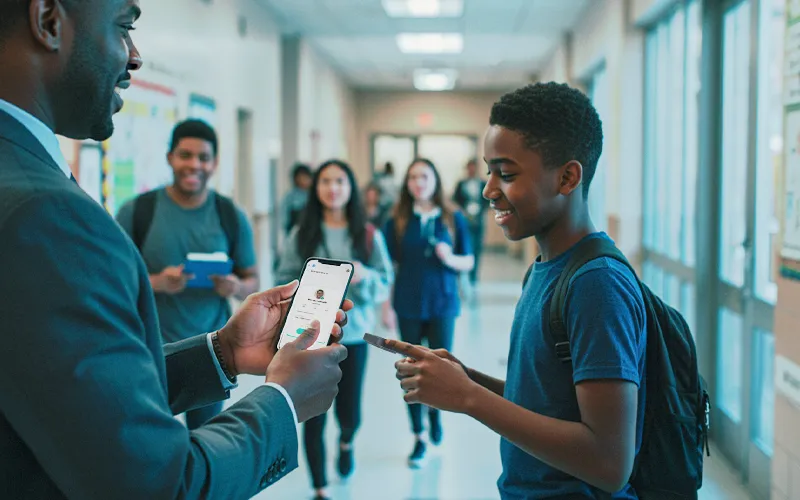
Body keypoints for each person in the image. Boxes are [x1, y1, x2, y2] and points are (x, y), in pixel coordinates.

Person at [0, 1, 351, 498]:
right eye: (123, 28)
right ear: (48, 22)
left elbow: (72, 396)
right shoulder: (45, 211)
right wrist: (283, 399)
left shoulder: (24, 176)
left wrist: (223, 352)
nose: (135, 56)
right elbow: (156, 483)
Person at [388, 83, 647, 499]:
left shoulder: (596, 284)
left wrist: (469, 398)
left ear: (567, 177)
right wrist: (467, 379)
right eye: (489, 171)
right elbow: (546, 402)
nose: (489, 190)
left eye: (506, 174)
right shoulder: (545, 268)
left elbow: (608, 463)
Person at [116, 119, 259, 429]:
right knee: (150, 437)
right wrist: (157, 283)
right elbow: (112, 280)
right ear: (170, 158)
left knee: (204, 437)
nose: (194, 165)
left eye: (203, 158)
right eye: (185, 155)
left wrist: (235, 287)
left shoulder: (230, 215)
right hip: (150, 349)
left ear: (214, 163)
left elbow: (252, 281)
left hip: (211, 352)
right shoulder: (137, 212)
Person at [276, 159, 394, 500]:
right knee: (313, 412)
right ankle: (319, 487)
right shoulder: (302, 233)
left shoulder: (368, 235)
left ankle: (346, 442)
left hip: (353, 336)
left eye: (340, 181)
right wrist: (307, 286)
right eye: (325, 181)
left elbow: (385, 281)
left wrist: (364, 276)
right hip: (311, 338)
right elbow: (283, 278)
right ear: (316, 188)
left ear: (350, 188)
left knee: (349, 411)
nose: (332, 188)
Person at [382, 158, 474, 468]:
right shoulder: (396, 220)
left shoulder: (452, 217)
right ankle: (418, 435)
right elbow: (388, 267)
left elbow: (468, 261)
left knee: (440, 367)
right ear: (406, 183)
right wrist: (386, 307)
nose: (418, 182)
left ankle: (435, 416)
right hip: (407, 303)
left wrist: (449, 258)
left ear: (435, 180)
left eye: (424, 176)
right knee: (410, 368)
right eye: (412, 177)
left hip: (442, 303)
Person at [453, 159, 489, 286]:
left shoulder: (483, 183)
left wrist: (481, 210)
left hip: (479, 220)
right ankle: (462, 273)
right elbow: (455, 200)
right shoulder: (461, 184)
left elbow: (488, 200)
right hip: (464, 219)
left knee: (477, 247)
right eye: (469, 168)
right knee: (464, 245)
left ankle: (473, 276)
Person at [282, 162, 313, 234]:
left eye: (306, 177)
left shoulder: (315, 194)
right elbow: (284, 219)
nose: (303, 181)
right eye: (300, 178)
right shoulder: (290, 196)